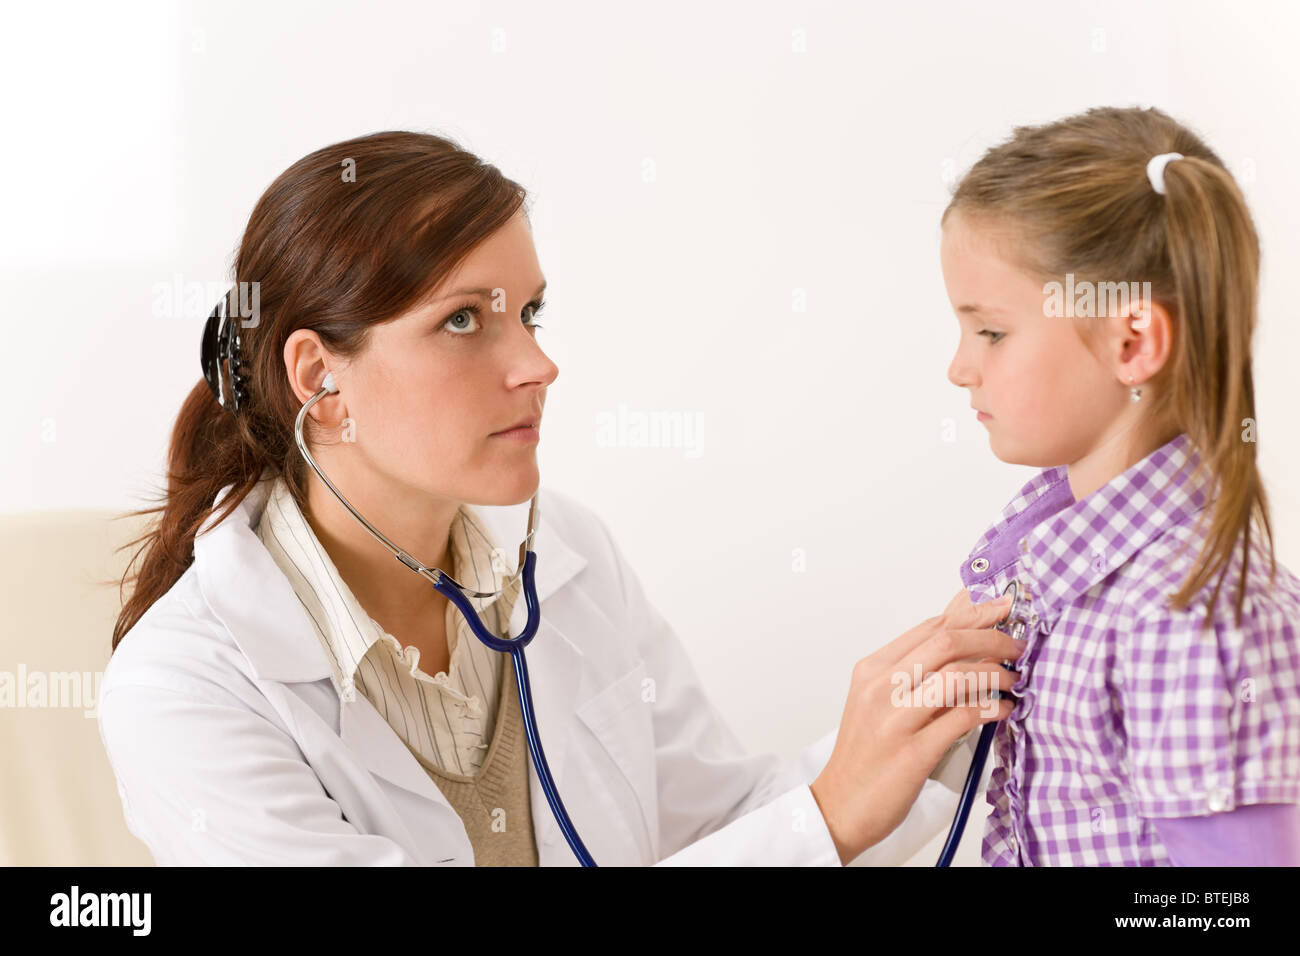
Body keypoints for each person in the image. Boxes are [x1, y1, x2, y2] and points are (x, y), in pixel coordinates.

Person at [100, 130, 1022, 866]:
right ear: (319, 378)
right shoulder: (185, 689)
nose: (537, 365)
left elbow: (717, 826)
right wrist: (823, 821)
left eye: (528, 313)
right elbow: (794, 836)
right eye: (463, 320)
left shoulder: (564, 560)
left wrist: (918, 731)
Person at [940, 105, 1300, 865]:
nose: (959, 367)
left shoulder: (1188, 616)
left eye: (991, 331)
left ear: (1132, 342)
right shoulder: (1068, 581)